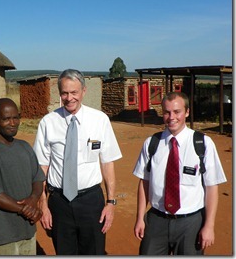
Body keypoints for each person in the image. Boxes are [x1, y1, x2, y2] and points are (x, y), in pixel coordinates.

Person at [33, 69, 122, 255]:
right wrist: (43, 204)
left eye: (74, 92)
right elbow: (41, 167)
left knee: (94, 252)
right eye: (65, 93)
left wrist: (111, 202)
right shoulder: (48, 123)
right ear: (59, 93)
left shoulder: (100, 120)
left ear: (84, 91)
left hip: (91, 202)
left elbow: (107, 163)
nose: (69, 98)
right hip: (59, 202)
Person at [133, 91, 227, 255]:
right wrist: (140, 217)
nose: (171, 117)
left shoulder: (202, 144)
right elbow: (144, 182)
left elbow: (212, 188)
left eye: (177, 112)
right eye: (167, 112)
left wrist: (209, 226)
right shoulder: (152, 144)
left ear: (187, 112)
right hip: (156, 220)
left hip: (190, 223)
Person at [0, 98, 45, 255]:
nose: (13, 123)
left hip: (27, 232)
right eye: (6, 119)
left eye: (16, 117)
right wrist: (26, 209)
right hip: (2, 237)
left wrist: (34, 198)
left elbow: (37, 178)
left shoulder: (24, 147)